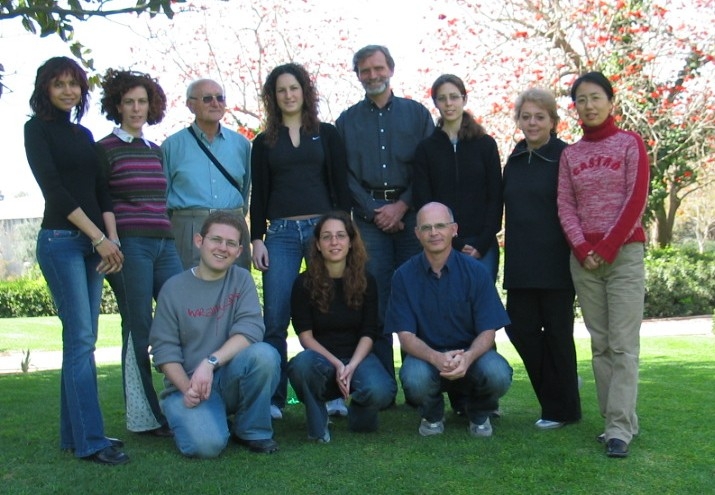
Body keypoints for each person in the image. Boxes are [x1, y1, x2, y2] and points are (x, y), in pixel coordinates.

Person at [24, 56, 128, 465]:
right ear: (45, 89)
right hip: (61, 242)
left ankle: (75, 434)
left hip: (94, 245)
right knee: (81, 340)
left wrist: (111, 239)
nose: (68, 91)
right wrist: (98, 238)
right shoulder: (36, 130)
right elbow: (55, 192)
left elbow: (102, 191)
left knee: (82, 341)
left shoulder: (84, 135)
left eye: (74, 84)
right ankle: (91, 440)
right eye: (59, 84)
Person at [250, 63, 351, 419]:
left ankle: (332, 393)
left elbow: (340, 186)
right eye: (281, 90)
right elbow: (259, 194)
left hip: (322, 231)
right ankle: (274, 399)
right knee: (275, 318)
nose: (288, 95)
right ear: (273, 97)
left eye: (294, 88)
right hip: (280, 234)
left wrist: (342, 232)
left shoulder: (327, 133)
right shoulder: (263, 142)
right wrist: (257, 238)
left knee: (328, 311)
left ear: (304, 92)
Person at [557, 72, 649, 458]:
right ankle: (618, 421)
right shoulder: (570, 155)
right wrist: (582, 248)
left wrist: (607, 247)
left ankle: (618, 429)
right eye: (581, 100)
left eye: (595, 97)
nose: (589, 105)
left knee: (623, 345)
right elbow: (565, 205)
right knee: (600, 345)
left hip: (623, 255)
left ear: (611, 102)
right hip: (585, 260)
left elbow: (636, 199)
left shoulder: (630, 143)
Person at [336, 45, 434, 392]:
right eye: (365, 70)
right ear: (358, 76)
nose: (372, 75)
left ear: (391, 69)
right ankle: (382, 384)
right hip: (368, 221)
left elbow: (427, 167)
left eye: (378, 68)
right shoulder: (346, 121)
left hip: (411, 218)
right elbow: (344, 175)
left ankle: (418, 381)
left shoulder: (417, 114)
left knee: (415, 294)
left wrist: (402, 206)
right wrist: (373, 211)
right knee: (373, 298)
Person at [149, 212, 280, 458]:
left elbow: (251, 329)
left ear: (239, 251)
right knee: (207, 446)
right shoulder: (173, 289)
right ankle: (196, 416)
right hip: (187, 385)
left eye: (231, 243)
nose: (222, 248)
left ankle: (251, 429)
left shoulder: (241, 280)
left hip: (227, 377)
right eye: (216, 240)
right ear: (199, 241)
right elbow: (164, 351)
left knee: (265, 355)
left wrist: (210, 363)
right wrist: (187, 388)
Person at [96, 69, 183, 438]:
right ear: (117, 106)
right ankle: (146, 417)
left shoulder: (154, 149)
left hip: (164, 241)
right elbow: (101, 200)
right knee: (139, 326)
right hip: (130, 245)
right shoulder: (104, 149)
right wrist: (111, 240)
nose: (136, 108)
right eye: (129, 102)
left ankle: (186, 399)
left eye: (142, 101)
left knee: (181, 315)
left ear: (151, 106)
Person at [385, 202, 512, 438]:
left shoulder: (476, 272)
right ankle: (432, 415)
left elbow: (488, 330)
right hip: (427, 359)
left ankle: (479, 412)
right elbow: (405, 336)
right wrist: (436, 358)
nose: (434, 233)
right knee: (414, 377)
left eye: (440, 226)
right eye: (426, 228)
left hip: (472, 357)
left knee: (498, 373)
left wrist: (468, 357)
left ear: (454, 229)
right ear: (417, 233)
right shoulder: (403, 276)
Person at [502, 88, 581, 430]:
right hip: (520, 263)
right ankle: (562, 388)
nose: (532, 123)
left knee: (559, 335)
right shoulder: (515, 159)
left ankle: (562, 409)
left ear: (552, 121)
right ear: (518, 121)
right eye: (526, 117)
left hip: (556, 263)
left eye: (539, 117)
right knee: (519, 330)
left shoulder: (566, 156)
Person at [287, 211, 396, 442]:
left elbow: (369, 332)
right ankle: (318, 424)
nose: (334, 242)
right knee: (301, 365)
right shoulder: (303, 283)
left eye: (340, 235)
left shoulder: (367, 281)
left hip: (358, 358)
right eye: (327, 237)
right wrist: (337, 364)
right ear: (318, 245)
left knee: (382, 390)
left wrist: (351, 365)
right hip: (320, 360)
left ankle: (358, 416)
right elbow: (305, 336)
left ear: (351, 242)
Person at [413, 74, 503, 282]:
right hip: (441, 243)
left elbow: (496, 197)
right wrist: (454, 242)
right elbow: (423, 200)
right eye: (442, 98)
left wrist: (483, 242)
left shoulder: (485, 145)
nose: (448, 103)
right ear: (435, 102)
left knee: (480, 299)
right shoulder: (426, 149)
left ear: (464, 99)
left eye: (454, 97)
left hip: (482, 244)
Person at [161, 78, 252, 270]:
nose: (215, 103)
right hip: (189, 227)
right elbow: (163, 196)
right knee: (189, 284)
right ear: (190, 105)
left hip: (233, 225)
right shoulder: (172, 146)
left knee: (236, 285)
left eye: (220, 98)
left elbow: (245, 190)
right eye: (207, 98)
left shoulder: (241, 144)